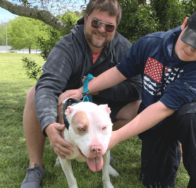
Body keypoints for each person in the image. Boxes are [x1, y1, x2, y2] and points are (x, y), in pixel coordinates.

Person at [61, 5, 196, 188]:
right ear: (185, 24)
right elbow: (119, 72)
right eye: (190, 39)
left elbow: (163, 108)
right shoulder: (151, 44)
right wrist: (83, 89)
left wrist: (114, 137)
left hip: (183, 119)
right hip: (154, 122)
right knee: (154, 183)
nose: (190, 50)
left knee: (193, 114)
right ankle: (168, 153)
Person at [20, 0, 142, 187]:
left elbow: (136, 87)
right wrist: (49, 125)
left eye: (109, 26)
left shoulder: (124, 47)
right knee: (34, 93)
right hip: (68, 107)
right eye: (96, 23)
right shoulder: (68, 45)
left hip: (104, 103)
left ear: (116, 27)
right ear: (85, 19)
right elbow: (48, 86)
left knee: (138, 106)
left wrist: (97, 87)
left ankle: (99, 148)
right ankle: (36, 166)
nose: (102, 29)